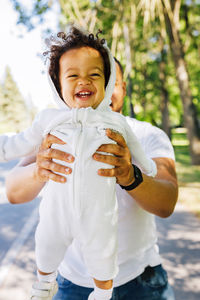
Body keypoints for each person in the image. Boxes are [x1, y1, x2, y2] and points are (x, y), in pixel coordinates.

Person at [5, 33, 178, 300]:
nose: (84, 81)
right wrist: (39, 170)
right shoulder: (55, 129)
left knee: (102, 249)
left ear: (116, 85)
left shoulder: (146, 134)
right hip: (71, 282)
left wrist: (130, 175)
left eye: (98, 76)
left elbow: (166, 204)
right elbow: (14, 193)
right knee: (47, 243)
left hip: (141, 279)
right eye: (73, 76)